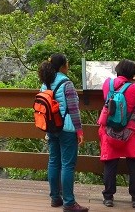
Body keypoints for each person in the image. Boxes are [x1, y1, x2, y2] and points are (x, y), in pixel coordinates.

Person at [98, 60, 135, 209]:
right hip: (130, 131)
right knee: (134, 163)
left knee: (110, 162)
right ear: (132, 74)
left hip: (109, 130)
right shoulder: (134, 88)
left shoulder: (107, 84)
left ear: (117, 70)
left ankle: (108, 197)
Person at [39, 53, 88, 212]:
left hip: (51, 127)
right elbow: (73, 109)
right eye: (67, 63)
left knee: (54, 161)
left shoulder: (45, 83)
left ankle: (55, 198)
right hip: (66, 128)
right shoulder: (66, 83)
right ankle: (69, 203)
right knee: (67, 164)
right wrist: (79, 130)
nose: (68, 65)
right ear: (62, 66)